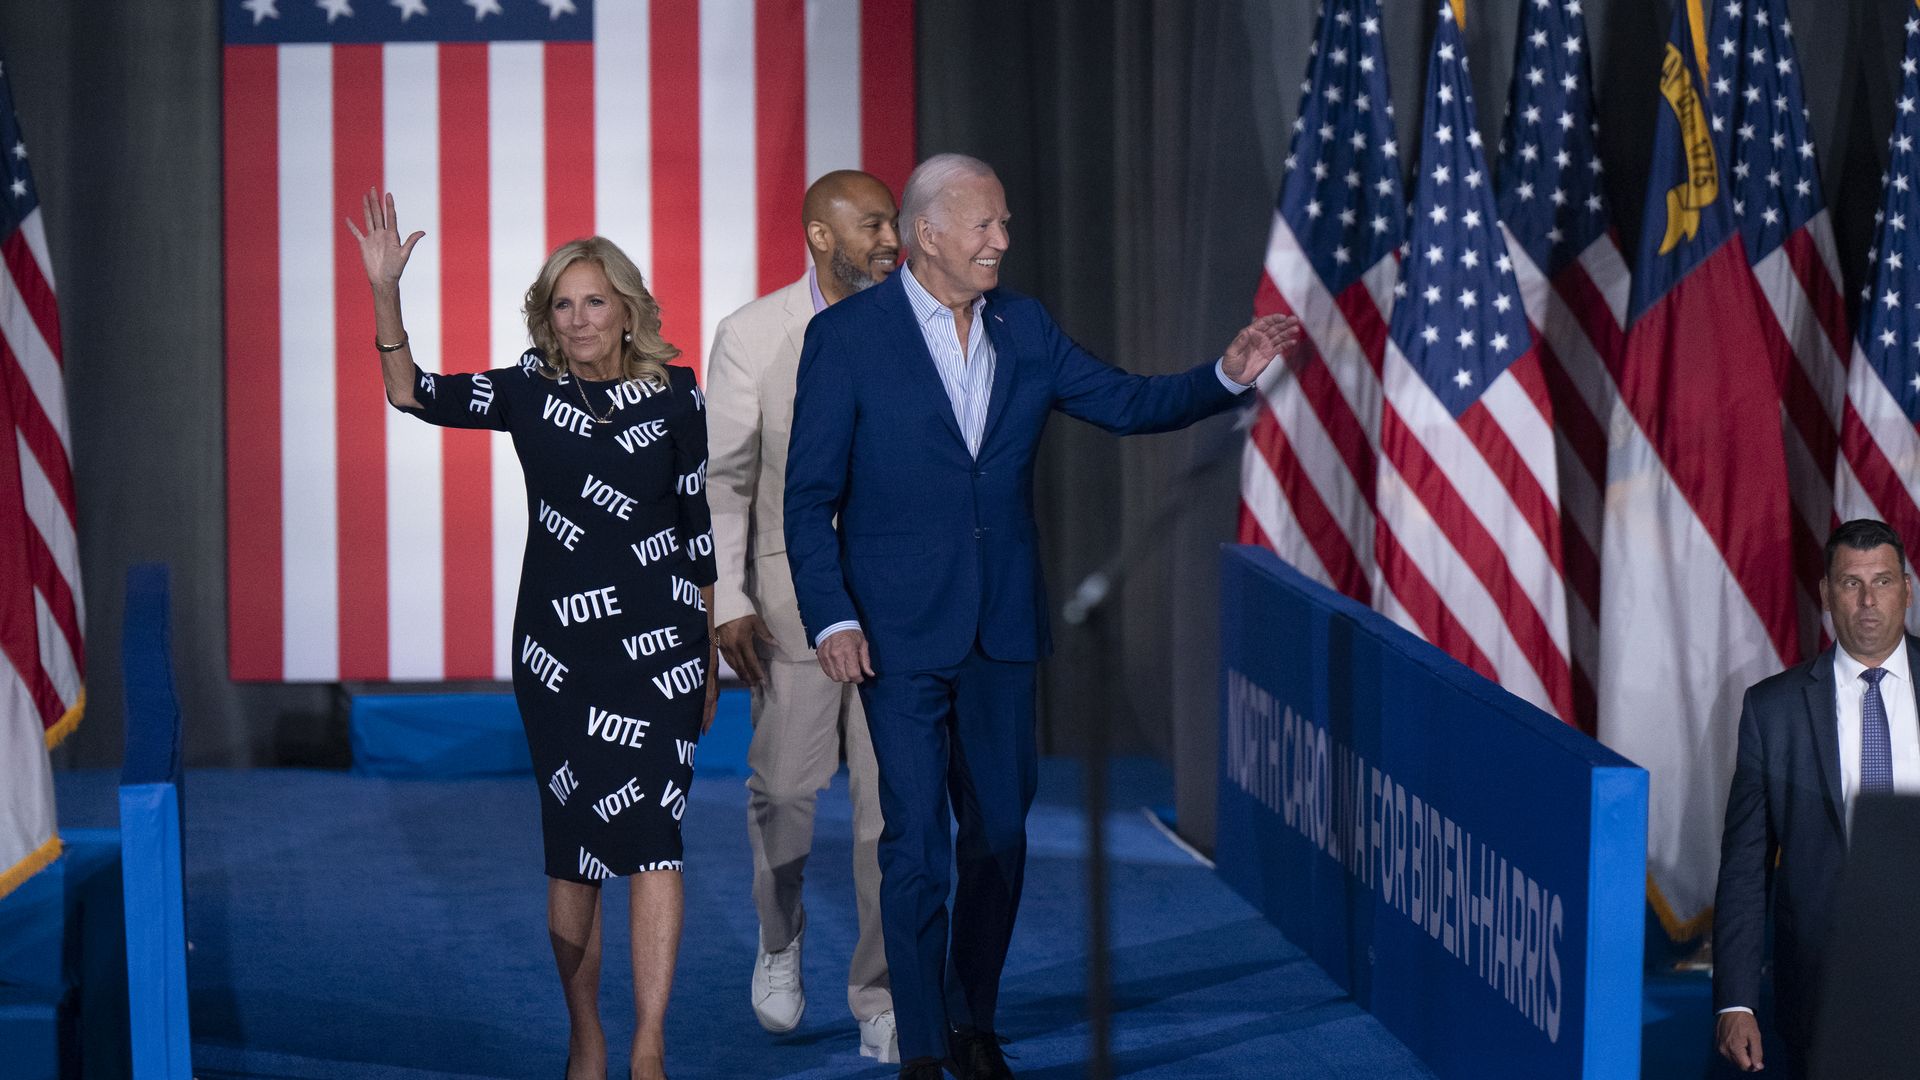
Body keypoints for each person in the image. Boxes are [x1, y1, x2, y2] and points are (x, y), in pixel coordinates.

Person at [782, 153, 1302, 1080]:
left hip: (1002, 632)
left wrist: (1224, 375)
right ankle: (925, 1049)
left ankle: (972, 1015)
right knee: (914, 844)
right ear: (926, 234)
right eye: (984, 226)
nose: (1001, 242)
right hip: (893, 638)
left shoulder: (1025, 326)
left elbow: (1129, 401)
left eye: (1006, 225)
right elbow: (808, 493)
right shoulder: (849, 339)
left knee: (1001, 836)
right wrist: (832, 619)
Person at [347, 190, 718, 1080]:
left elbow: (700, 530)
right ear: (545, 317)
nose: (581, 317)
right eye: (564, 303)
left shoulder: (677, 394)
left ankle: (648, 1046)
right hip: (559, 653)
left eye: (596, 300)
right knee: (577, 847)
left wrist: (705, 657)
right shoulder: (525, 392)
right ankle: (585, 1030)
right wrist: (385, 294)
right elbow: (411, 393)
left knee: (656, 838)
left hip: (662, 645)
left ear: (628, 309)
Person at [705, 170, 902, 1062]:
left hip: (900, 609)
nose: (892, 238)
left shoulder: (922, 321)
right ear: (820, 237)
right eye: (873, 224)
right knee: (785, 794)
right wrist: (731, 600)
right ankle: (779, 941)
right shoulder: (752, 335)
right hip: (791, 610)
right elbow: (727, 482)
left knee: (884, 813)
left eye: (895, 220)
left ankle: (880, 995)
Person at [1714, 518, 1919, 1076]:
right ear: (1827, 595)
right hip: (1828, 995)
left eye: (1882, 581)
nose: (1869, 600)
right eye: (1851, 584)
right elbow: (1744, 868)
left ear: (1907, 589)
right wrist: (1736, 999)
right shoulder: (1772, 711)